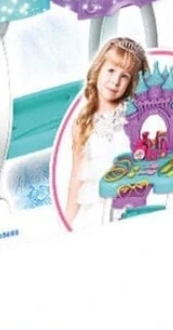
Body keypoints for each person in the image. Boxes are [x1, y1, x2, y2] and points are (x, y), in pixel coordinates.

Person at [64, 37, 149, 228]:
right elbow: (76, 176)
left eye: (124, 76)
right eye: (111, 70)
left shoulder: (133, 115)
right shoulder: (82, 122)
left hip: (129, 209)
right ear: (99, 69)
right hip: (93, 214)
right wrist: (66, 221)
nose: (115, 81)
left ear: (132, 82)